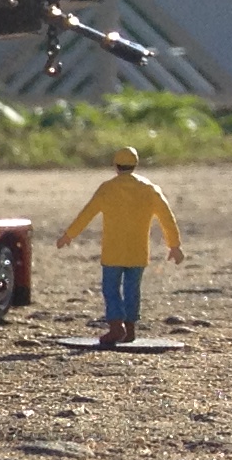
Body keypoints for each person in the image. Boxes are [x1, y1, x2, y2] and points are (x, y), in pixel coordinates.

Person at [58, 145, 183, 346]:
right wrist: (174, 245)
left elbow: (87, 213)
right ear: (136, 164)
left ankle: (117, 326)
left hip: (113, 251)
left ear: (115, 165)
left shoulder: (108, 188)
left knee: (111, 289)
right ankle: (130, 328)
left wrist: (69, 235)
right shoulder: (149, 189)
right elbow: (167, 218)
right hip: (137, 251)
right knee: (133, 290)